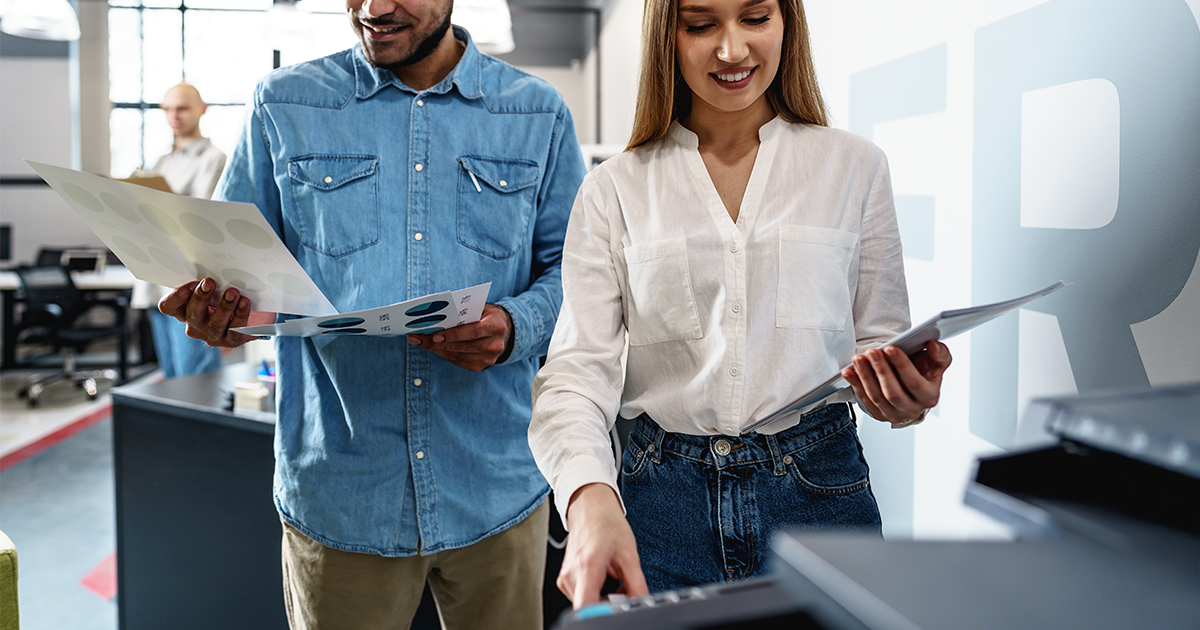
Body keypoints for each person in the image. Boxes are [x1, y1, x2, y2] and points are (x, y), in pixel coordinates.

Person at [157, 1, 586, 628]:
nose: (375, 8)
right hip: (340, 491)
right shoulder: (284, 104)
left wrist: (518, 325)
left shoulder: (534, 110)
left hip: (496, 488)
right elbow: (233, 279)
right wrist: (217, 312)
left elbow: (577, 274)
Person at [528, 0, 953, 608]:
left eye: (755, 18)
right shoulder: (614, 189)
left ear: (787, 23)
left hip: (818, 494)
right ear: (667, 37)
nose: (731, 51)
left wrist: (904, 397)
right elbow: (575, 374)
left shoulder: (855, 168)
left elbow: (875, 346)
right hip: (658, 506)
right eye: (701, 25)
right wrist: (589, 495)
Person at [133, 82, 227, 378]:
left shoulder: (214, 158)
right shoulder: (162, 161)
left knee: (196, 376)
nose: (175, 115)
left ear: (202, 110)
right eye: (169, 109)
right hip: (155, 274)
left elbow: (198, 215)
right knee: (171, 376)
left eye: (182, 108)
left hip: (188, 280)